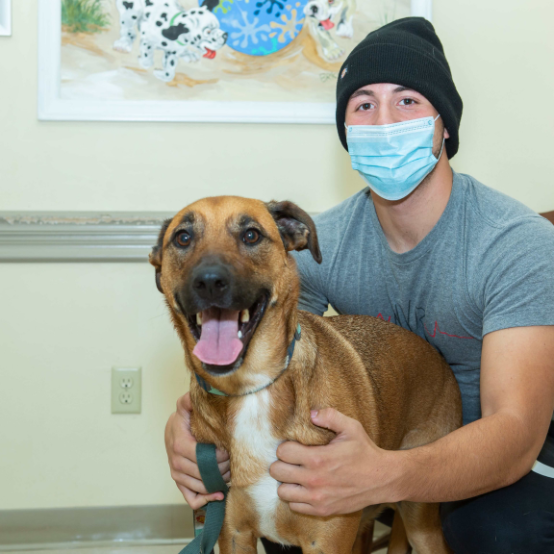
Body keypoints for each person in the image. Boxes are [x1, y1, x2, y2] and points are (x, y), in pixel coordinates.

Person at [164, 17, 554, 553]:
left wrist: (384, 476)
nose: (384, 120)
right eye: (364, 104)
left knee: (498, 534)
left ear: (445, 126)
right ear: (347, 131)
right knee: (288, 501)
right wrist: (187, 429)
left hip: (501, 452)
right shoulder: (314, 247)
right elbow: (266, 354)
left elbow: (515, 434)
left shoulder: (517, 244)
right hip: (382, 440)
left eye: (408, 102)